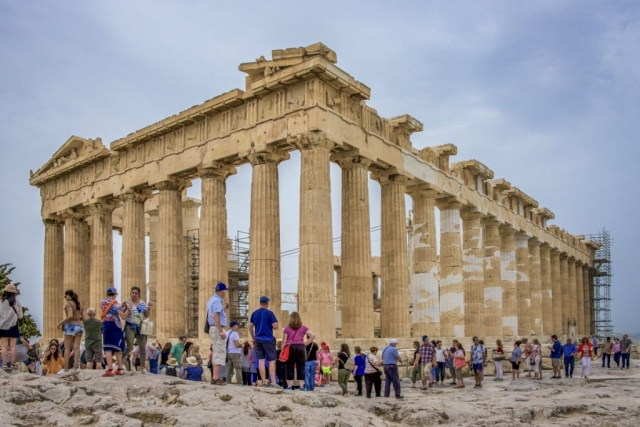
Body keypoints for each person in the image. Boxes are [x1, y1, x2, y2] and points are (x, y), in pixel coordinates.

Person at [248, 295, 279, 387]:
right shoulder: (270, 313)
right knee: (271, 361)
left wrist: (253, 338)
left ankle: (264, 381)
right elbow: (275, 326)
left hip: (258, 339)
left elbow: (250, 327)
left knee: (261, 361)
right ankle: (273, 382)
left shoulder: (254, 313)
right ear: (267, 303)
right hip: (268, 339)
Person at [282, 311, 315, 390]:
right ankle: (301, 386)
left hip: (290, 347)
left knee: (289, 367)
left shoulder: (287, 328)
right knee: (301, 367)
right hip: (300, 347)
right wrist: (305, 343)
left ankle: (290, 386)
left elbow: (284, 341)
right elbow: (313, 335)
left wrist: (283, 350)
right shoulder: (303, 327)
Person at [123, 286, 152, 374]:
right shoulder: (127, 302)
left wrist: (149, 308)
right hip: (130, 326)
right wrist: (126, 307)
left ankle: (142, 367)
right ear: (130, 293)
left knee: (143, 347)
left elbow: (146, 315)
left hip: (140, 327)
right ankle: (119, 361)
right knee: (129, 347)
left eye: (136, 293)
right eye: (133, 293)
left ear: (139, 295)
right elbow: (123, 315)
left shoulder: (143, 304)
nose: (134, 295)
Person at [100, 287, 128, 376]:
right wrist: (128, 309)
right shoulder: (117, 304)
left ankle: (109, 370)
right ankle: (120, 368)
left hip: (106, 325)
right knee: (118, 348)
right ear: (114, 294)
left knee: (107, 347)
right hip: (115, 326)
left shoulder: (102, 302)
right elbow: (123, 316)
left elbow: (110, 310)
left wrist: (121, 307)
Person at [56, 289, 84, 374]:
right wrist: (78, 318)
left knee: (67, 348)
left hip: (70, 326)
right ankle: (75, 367)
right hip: (79, 326)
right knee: (76, 347)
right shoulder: (80, 305)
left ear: (69, 296)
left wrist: (61, 322)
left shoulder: (69, 304)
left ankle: (66, 368)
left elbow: (70, 315)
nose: (65, 298)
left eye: (65, 296)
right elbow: (84, 318)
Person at [207, 282, 229, 385]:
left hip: (213, 328)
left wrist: (224, 309)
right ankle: (215, 377)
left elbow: (214, 314)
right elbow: (215, 316)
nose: (225, 293)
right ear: (221, 291)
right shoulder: (217, 301)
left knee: (216, 351)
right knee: (220, 352)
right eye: (225, 291)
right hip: (217, 328)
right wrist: (221, 331)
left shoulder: (211, 299)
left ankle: (215, 376)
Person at [0, 283, 23, 370]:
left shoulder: (1, 302)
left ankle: (4, 364)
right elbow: (20, 316)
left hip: (2, 326)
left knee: (4, 345)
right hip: (13, 325)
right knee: (13, 345)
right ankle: (13, 364)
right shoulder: (17, 302)